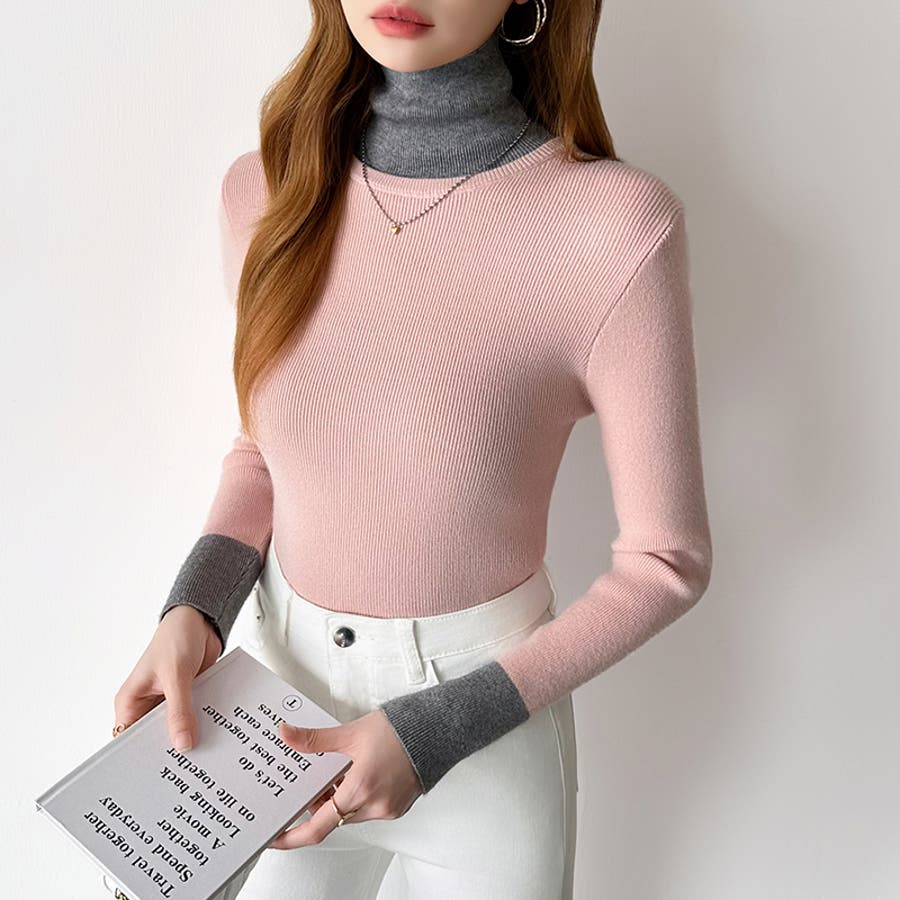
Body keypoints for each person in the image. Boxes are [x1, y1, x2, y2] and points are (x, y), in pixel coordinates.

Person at [112, 1, 713, 898]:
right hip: (278, 715)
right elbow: (265, 453)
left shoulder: (616, 226)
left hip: (485, 734)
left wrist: (432, 732)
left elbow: (666, 563)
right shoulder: (268, 190)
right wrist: (194, 609)